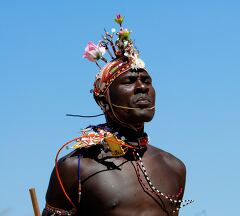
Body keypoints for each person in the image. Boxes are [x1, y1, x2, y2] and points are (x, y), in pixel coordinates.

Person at [42, 15, 193, 216]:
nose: (142, 88)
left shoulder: (174, 167)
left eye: (147, 81)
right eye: (130, 81)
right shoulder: (75, 168)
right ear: (103, 101)